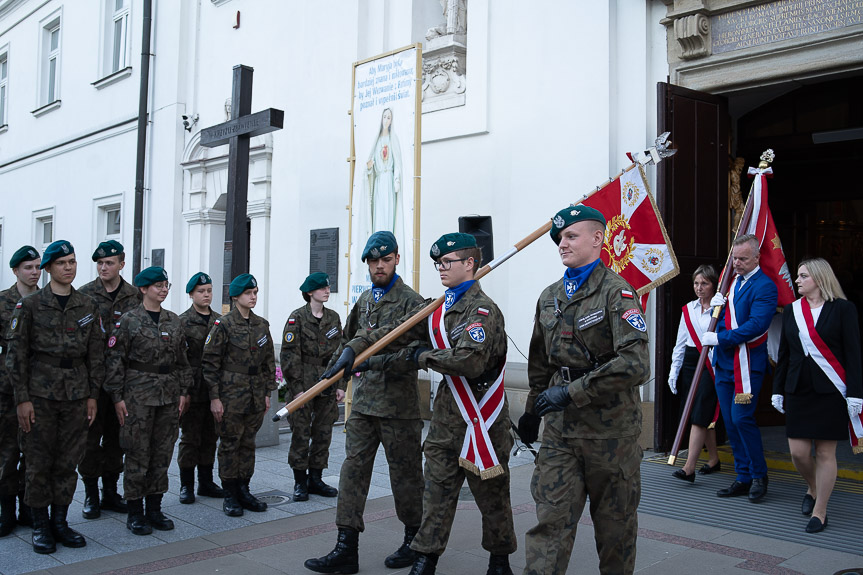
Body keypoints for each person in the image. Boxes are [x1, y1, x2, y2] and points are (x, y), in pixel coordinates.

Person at [326, 232, 516, 575]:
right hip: (447, 419)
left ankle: (499, 561)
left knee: (492, 499)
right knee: (437, 495)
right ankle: (425, 559)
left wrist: (423, 355)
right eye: (438, 263)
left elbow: (469, 362)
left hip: (482, 422)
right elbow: (393, 332)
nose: (441, 268)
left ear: (470, 264)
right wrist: (354, 349)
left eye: (448, 262)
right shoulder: (436, 308)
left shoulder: (483, 311)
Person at [518, 206, 649, 575]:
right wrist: (532, 410)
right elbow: (540, 363)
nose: (563, 244)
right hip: (561, 433)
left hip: (611, 434)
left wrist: (572, 392)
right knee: (550, 523)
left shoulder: (617, 292)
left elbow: (636, 364)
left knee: (615, 529)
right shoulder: (549, 296)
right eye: (559, 238)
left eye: (571, 236)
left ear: (598, 238)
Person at [304, 232, 425, 573]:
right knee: (352, 472)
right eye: (373, 261)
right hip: (364, 404)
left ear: (397, 259)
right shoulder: (366, 300)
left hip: (398, 406)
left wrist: (372, 360)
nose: (379, 266)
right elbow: (350, 339)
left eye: (385, 260)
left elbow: (410, 355)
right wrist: (340, 376)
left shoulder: (412, 303)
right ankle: (346, 547)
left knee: (406, 477)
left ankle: (415, 541)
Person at [6, 240, 104, 554]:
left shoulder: (86, 305)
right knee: (37, 461)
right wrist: (22, 399)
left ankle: (60, 521)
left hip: (76, 394)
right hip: (40, 395)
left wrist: (92, 395)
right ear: (48, 268)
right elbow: (16, 356)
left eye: (73, 262)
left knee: (67, 460)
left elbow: (96, 354)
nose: (69, 268)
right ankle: (39, 524)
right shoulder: (31, 305)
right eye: (62, 263)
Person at [771, 258, 863, 533]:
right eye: (798, 276)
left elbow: (853, 354)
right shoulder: (791, 311)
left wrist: (856, 394)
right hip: (798, 389)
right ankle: (813, 487)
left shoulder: (843, 310)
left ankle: (820, 510)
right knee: (798, 453)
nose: (797, 281)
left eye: (802, 276)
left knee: (825, 453)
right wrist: (777, 389)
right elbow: (784, 355)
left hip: (831, 391)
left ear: (819, 279)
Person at [105, 266, 192, 535]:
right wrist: (117, 397)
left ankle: (154, 508)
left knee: (161, 453)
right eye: (158, 285)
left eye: (166, 285)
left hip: (167, 396)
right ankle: (135, 511)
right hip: (137, 396)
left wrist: (183, 391)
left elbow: (182, 361)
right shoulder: (129, 320)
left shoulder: (173, 320)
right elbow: (115, 361)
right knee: (137, 453)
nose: (163, 289)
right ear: (144, 289)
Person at [702, 234, 778, 501]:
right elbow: (724, 319)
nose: (737, 263)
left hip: (747, 364)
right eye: (734, 258)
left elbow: (756, 325)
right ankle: (743, 476)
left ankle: (759, 475)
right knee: (731, 424)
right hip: (724, 364)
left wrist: (720, 338)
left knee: (742, 418)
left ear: (757, 257)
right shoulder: (730, 282)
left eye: (743, 259)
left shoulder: (765, 286)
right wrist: (715, 312)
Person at [202, 273, 276, 517]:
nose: (253, 297)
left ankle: (245, 489)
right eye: (248, 293)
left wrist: (267, 393)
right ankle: (230, 493)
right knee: (230, 444)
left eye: (255, 293)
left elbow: (267, 362)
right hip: (231, 395)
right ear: (235, 297)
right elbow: (210, 363)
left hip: (255, 395)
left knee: (248, 444)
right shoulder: (223, 325)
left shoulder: (261, 324)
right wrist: (215, 397)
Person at [77, 240, 140, 519]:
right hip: (92, 380)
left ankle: (111, 493)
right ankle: (91, 495)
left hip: (123, 381)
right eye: (100, 263)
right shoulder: (84, 295)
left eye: (109, 262)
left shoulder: (134, 296)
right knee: (90, 440)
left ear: (121, 265)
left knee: (117, 438)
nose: (104, 267)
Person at [281, 272, 343, 502]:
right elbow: (289, 355)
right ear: (310, 293)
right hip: (304, 383)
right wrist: (296, 388)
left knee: (323, 432)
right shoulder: (296, 318)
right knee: (300, 432)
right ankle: (300, 481)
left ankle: (316, 478)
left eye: (327, 287)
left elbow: (340, 353)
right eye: (321, 288)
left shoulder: (333, 318)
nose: (327, 291)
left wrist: (340, 384)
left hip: (327, 382)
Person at [668, 264, 722, 482]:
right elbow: (680, 344)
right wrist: (674, 370)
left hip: (710, 364)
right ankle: (714, 459)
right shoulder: (688, 309)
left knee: (699, 415)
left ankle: (689, 468)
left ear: (713, 285)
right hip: (691, 362)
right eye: (696, 283)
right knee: (698, 413)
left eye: (704, 283)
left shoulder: (721, 308)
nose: (699, 288)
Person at [0, 246, 40, 536]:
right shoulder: (3, 301)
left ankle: (29, 507)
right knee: (7, 450)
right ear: (16, 270)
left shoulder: (47, 300)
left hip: (42, 387)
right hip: (8, 388)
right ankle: (6, 510)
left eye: (38, 266)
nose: (34, 272)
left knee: (35, 452)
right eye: (28, 267)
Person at [177, 272, 224, 504]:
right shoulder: (182, 322)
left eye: (209, 291)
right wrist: (182, 391)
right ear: (191, 294)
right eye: (201, 291)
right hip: (193, 387)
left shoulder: (219, 320)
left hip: (214, 388)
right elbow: (180, 359)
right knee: (190, 438)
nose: (206, 295)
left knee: (210, 436)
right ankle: (186, 485)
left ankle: (206, 481)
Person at [365, 108, 403, 234]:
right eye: (384, 117)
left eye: (389, 117)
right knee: (379, 211)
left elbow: (397, 162)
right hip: (380, 180)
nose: (386, 120)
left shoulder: (393, 139)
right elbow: (370, 165)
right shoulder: (376, 141)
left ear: (391, 121)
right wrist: (370, 167)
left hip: (389, 181)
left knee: (389, 211)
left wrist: (396, 178)